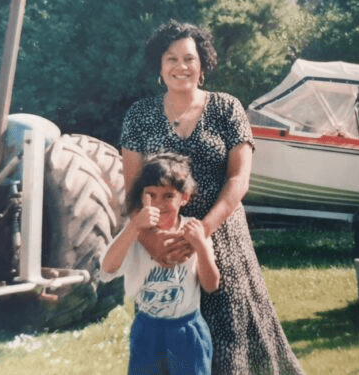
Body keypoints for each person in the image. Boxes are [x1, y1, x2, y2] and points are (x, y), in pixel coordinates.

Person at [119, 20, 305, 374]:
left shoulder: (226, 108)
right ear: (159, 67)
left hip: (222, 244)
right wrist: (151, 241)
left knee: (230, 346)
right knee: (166, 352)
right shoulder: (139, 115)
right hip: (163, 253)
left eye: (189, 58)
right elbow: (132, 190)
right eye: (171, 58)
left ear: (203, 64)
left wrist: (202, 231)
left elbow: (239, 178)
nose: (180, 66)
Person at [100, 152, 219, 375]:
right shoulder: (136, 233)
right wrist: (134, 227)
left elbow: (211, 285)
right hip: (148, 328)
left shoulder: (193, 231)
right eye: (151, 195)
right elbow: (107, 269)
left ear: (184, 197)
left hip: (186, 329)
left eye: (168, 196)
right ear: (141, 197)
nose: (159, 203)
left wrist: (201, 247)